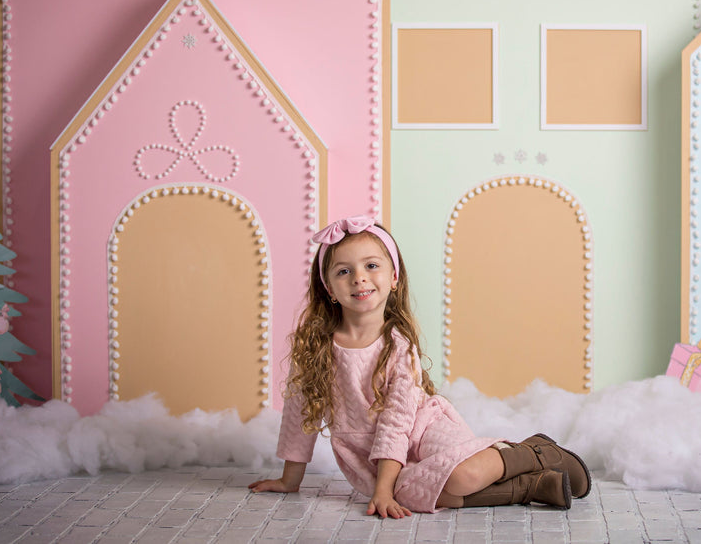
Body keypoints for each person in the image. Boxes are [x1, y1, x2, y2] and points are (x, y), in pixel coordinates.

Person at [249, 215, 590, 516]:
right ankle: (533, 487)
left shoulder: (398, 346)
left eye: (371, 266)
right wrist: (289, 480)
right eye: (343, 271)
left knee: (461, 477)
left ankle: (534, 453)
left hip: (423, 428)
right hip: (366, 451)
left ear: (393, 277)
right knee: (416, 494)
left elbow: (396, 421)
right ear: (329, 289)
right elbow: (299, 413)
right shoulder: (314, 347)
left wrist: (384, 489)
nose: (359, 278)